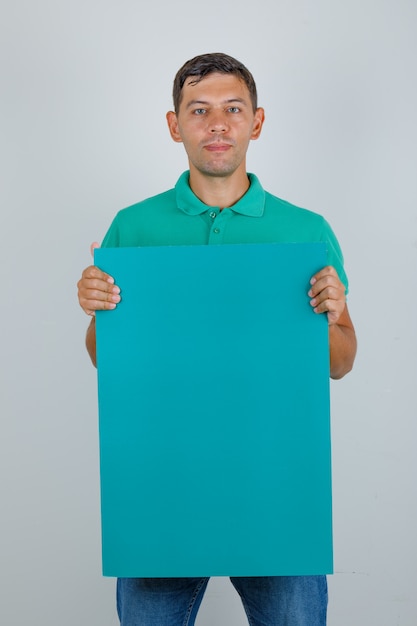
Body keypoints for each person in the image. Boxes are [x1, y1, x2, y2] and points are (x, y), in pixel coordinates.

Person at [77, 52, 357, 626]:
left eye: (233, 108)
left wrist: (332, 317)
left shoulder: (306, 230)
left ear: (256, 122)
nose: (217, 123)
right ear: (175, 126)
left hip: (277, 485)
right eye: (199, 110)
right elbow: (108, 359)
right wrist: (96, 314)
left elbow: (341, 363)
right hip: (164, 485)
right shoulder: (133, 227)